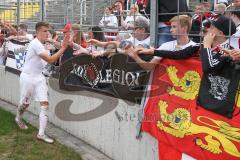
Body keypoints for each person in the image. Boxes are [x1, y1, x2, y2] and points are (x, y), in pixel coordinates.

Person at [15, 22, 69, 143]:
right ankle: (18, 118)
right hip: (28, 77)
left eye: (48, 31)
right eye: (45, 31)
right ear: (38, 32)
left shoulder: (44, 42)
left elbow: (59, 46)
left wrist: (63, 44)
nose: (48, 33)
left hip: (39, 78)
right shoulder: (35, 44)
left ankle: (41, 133)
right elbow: (50, 60)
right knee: (25, 104)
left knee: (45, 104)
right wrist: (63, 47)